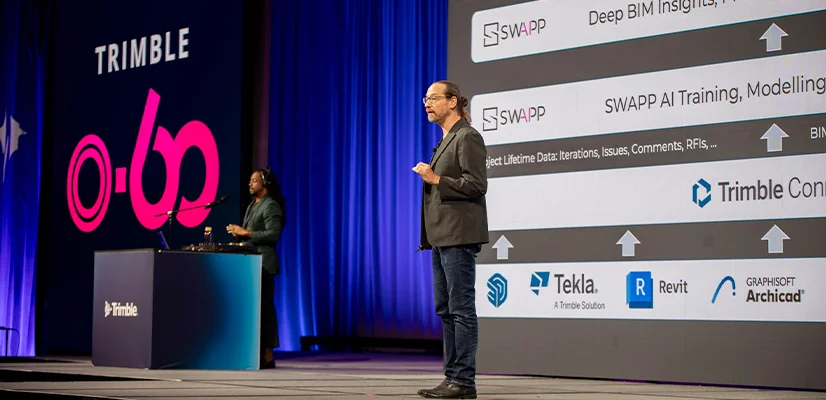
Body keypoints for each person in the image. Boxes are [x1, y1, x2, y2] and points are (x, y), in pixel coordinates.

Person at [413, 80, 489, 399]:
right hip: (441, 236)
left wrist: (436, 179)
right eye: (425, 99)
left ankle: (464, 381)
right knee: (445, 308)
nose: (427, 104)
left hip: (458, 235)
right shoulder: (446, 138)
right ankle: (451, 376)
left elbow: (476, 185)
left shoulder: (467, 136)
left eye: (433, 98)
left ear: (453, 102)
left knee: (461, 308)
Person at [226, 167, 286, 369]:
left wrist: (246, 233)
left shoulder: (271, 206)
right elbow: (249, 233)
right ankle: (250, 352)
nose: (250, 184)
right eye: (250, 181)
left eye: (254, 181)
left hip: (264, 264)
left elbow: (272, 235)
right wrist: (238, 233)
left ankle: (268, 356)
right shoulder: (253, 205)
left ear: (265, 183)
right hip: (250, 263)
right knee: (252, 310)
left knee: (265, 310)